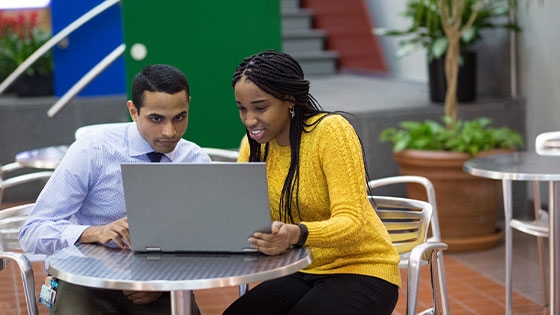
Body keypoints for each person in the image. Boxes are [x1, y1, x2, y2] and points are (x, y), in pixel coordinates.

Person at [19, 64, 210, 315]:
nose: (169, 131)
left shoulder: (195, 160)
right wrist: (94, 232)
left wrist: (163, 282)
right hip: (85, 282)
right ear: (133, 111)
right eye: (156, 119)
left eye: (179, 117)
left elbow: (205, 241)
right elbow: (32, 232)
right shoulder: (92, 150)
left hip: (162, 284)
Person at [223, 50, 401, 315]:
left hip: (362, 268)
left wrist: (297, 234)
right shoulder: (253, 148)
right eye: (242, 109)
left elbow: (352, 221)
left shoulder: (330, 132)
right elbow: (243, 215)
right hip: (300, 269)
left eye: (260, 107)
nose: (249, 120)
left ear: (289, 100)